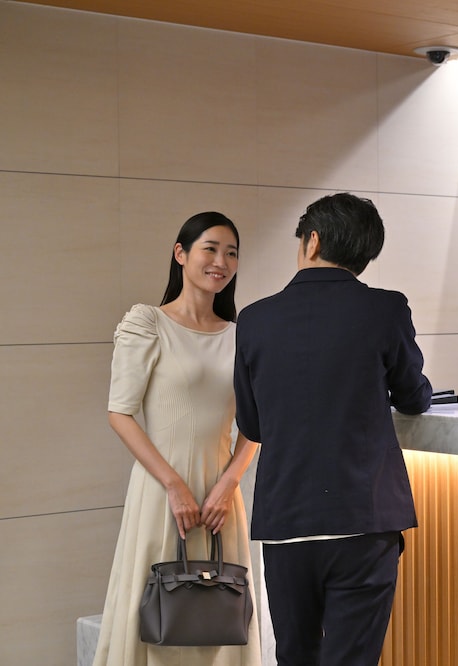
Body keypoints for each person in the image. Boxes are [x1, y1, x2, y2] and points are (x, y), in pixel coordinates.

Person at [233, 193, 432, 665]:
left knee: (295, 656)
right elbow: (413, 397)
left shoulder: (255, 319)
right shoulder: (385, 309)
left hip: (286, 522)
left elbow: (252, 424)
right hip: (362, 519)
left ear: (313, 240)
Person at [93, 212, 261, 665]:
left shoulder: (241, 336)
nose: (221, 262)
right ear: (181, 254)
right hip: (161, 491)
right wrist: (173, 485)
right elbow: (120, 412)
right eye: (211, 248)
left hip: (221, 499)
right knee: (157, 617)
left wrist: (228, 484)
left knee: (222, 617)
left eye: (231, 253)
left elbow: (257, 423)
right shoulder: (148, 323)